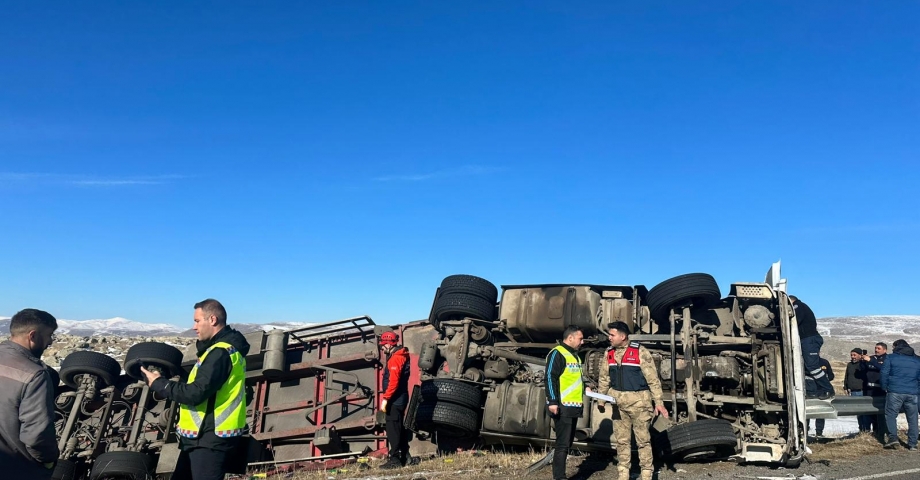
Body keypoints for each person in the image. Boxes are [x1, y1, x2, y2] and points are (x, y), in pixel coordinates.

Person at [141, 299, 250, 480]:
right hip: (203, 439)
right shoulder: (220, 350)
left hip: (208, 440)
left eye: (197, 321)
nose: (194, 327)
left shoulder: (219, 353)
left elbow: (195, 393)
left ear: (212, 320)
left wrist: (160, 384)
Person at [597, 321, 668, 480]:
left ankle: (646, 474)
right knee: (622, 442)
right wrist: (601, 400)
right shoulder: (609, 353)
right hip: (618, 406)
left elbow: (653, 380)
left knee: (643, 441)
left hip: (639, 405)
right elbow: (604, 378)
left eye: (612, 335)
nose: (609, 337)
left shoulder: (640, 352)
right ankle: (623, 474)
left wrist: (659, 403)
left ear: (623, 336)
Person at [0, 308, 60, 480]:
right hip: (15, 469)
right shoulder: (34, 375)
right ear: (32, 336)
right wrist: (48, 460)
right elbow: (36, 434)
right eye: (49, 335)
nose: (50, 341)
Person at [545, 326, 587, 480]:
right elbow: (550, 377)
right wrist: (553, 401)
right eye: (580, 339)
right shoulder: (557, 353)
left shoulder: (574, 356)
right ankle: (559, 477)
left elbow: (572, 379)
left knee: (567, 443)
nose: (582, 342)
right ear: (570, 338)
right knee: (562, 444)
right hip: (562, 405)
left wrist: (585, 387)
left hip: (573, 406)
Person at [378, 331, 413, 469]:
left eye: (382, 345)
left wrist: (386, 398)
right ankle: (406, 457)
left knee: (393, 429)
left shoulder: (395, 359)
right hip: (400, 397)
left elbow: (394, 382)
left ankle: (395, 460)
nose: (382, 348)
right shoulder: (400, 355)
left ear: (388, 344)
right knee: (399, 427)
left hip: (395, 399)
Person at [790, 296, 834, 400]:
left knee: (812, 367)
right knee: (806, 367)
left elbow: (796, 320)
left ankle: (828, 389)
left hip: (809, 339)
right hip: (806, 340)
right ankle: (812, 391)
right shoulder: (801, 306)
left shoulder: (797, 306)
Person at [879, 339, 920, 450]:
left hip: (895, 391)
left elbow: (884, 373)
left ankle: (893, 438)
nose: (892, 349)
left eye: (893, 346)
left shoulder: (891, 358)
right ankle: (913, 443)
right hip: (913, 393)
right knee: (913, 418)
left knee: (891, 415)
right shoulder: (917, 360)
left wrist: (884, 387)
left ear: (897, 346)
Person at [861, 342, 888, 436]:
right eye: (876, 348)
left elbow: (883, 369)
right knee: (869, 412)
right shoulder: (871, 358)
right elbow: (862, 371)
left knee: (880, 413)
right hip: (868, 389)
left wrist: (871, 361)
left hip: (880, 390)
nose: (876, 350)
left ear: (885, 350)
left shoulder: (887, 359)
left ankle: (881, 432)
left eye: (879, 348)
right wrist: (863, 361)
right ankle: (868, 432)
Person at [844, 348, 871, 432]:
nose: (853, 357)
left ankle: (866, 429)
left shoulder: (863, 364)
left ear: (860, 355)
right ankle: (861, 429)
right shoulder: (849, 365)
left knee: (865, 412)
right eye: (851, 355)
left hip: (862, 391)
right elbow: (847, 376)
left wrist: (864, 360)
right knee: (858, 413)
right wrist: (845, 387)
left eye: (854, 355)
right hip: (853, 391)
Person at [807, 357, 834, 437]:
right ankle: (804, 432)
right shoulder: (806, 362)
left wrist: (824, 380)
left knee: (821, 413)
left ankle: (819, 433)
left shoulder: (824, 362)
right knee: (807, 412)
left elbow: (831, 376)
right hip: (809, 391)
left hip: (822, 392)